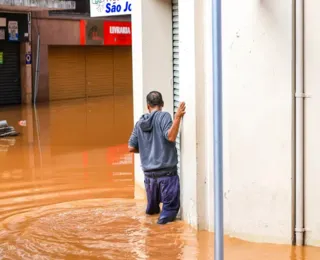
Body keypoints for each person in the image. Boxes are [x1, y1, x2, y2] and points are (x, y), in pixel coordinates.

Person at [128, 91, 186, 224]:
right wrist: (177, 117)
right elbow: (171, 137)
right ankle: (160, 238)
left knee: (152, 212)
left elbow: (130, 147)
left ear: (148, 106)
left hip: (149, 178)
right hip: (167, 175)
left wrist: (146, 150)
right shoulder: (164, 116)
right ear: (162, 104)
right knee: (167, 215)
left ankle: (150, 237)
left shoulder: (139, 123)